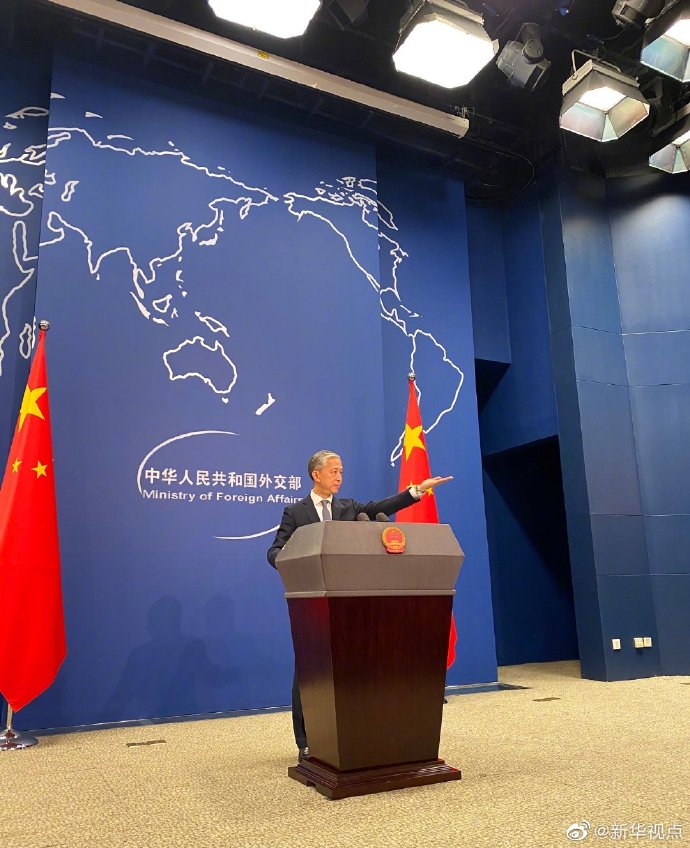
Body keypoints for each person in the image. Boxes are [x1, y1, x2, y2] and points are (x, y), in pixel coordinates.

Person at [267, 449, 452, 759]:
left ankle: (353, 737)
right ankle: (307, 741)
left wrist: (417, 490)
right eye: (334, 471)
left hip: (349, 601)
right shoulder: (295, 512)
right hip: (313, 603)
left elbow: (381, 507)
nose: (339, 476)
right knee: (310, 673)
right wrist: (292, 561)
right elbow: (275, 551)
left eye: (341, 471)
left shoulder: (349, 508)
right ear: (316, 474)